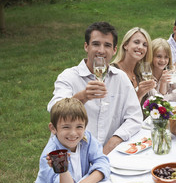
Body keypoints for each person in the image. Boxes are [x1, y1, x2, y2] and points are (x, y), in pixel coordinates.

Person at [48, 22, 142, 155]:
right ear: (86, 46)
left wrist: (112, 143)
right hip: (72, 152)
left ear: (114, 50)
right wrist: (83, 96)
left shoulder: (120, 78)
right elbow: (54, 110)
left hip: (109, 154)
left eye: (107, 45)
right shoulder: (68, 76)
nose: (101, 50)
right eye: (96, 44)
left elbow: (135, 117)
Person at [28, 98, 110, 183]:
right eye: (66, 127)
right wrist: (63, 170)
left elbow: (103, 163)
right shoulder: (50, 156)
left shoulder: (85, 139)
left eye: (79, 127)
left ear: (85, 126)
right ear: (53, 128)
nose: (73, 133)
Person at [112, 27, 156, 103]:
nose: (140, 47)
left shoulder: (140, 72)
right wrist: (139, 95)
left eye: (145, 45)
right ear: (125, 45)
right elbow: (114, 107)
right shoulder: (113, 72)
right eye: (136, 42)